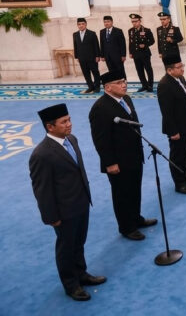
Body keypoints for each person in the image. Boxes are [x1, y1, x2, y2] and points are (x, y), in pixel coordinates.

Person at [30, 103, 106, 302]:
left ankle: (82, 274)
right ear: (50, 127)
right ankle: (71, 285)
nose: (69, 124)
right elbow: (42, 190)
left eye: (69, 119)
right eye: (64, 122)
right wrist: (51, 217)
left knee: (79, 243)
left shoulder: (72, 139)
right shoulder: (41, 154)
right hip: (63, 212)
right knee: (66, 248)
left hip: (81, 203)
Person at [89, 71, 157, 240]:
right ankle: (126, 227)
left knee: (135, 190)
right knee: (122, 194)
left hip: (134, 155)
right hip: (118, 162)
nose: (124, 84)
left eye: (124, 81)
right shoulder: (100, 108)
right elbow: (101, 140)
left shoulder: (126, 99)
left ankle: (136, 218)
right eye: (119, 82)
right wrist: (110, 163)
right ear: (108, 87)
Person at [157, 55, 186, 194]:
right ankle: (179, 183)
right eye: (179, 67)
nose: (183, 69)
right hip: (176, 128)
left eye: (182, 65)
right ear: (170, 70)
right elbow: (166, 111)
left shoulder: (180, 78)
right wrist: (173, 131)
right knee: (177, 156)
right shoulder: (164, 85)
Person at [72, 17, 101, 94]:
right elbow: (75, 46)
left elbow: (96, 45)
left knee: (95, 72)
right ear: (77, 25)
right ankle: (90, 87)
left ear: (86, 24)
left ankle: (97, 87)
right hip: (82, 58)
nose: (81, 25)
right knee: (86, 74)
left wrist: (97, 56)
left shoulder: (92, 33)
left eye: (82, 24)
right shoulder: (75, 34)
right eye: (79, 24)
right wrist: (77, 56)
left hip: (92, 58)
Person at [127, 13, 155, 93]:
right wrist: (130, 52)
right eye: (132, 22)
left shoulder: (146, 30)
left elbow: (152, 41)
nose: (134, 23)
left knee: (148, 69)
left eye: (135, 21)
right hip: (136, 54)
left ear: (140, 21)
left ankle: (150, 85)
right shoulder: (131, 31)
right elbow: (130, 42)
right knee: (139, 70)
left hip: (145, 54)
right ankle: (144, 85)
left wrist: (145, 45)